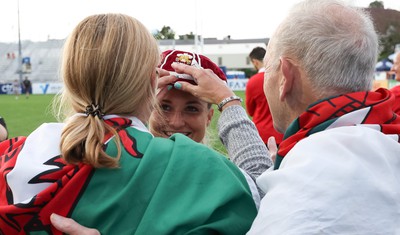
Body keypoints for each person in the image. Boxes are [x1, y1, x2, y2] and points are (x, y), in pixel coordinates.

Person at [0, 13, 258, 234]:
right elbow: (266, 199)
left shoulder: (13, 154)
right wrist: (229, 102)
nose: (177, 122)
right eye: (165, 106)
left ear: (69, 76)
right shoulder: (199, 167)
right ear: (150, 82)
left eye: (191, 108)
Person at [166, 0, 400, 233]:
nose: (176, 121)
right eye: (164, 107)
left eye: (268, 68)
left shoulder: (298, 198)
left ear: (285, 77)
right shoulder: (381, 142)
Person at [246, 46, 284, 146]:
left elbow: (250, 111)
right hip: (283, 133)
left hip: (261, 134)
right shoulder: (282, 76)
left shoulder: (253, 81)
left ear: (255, 62)